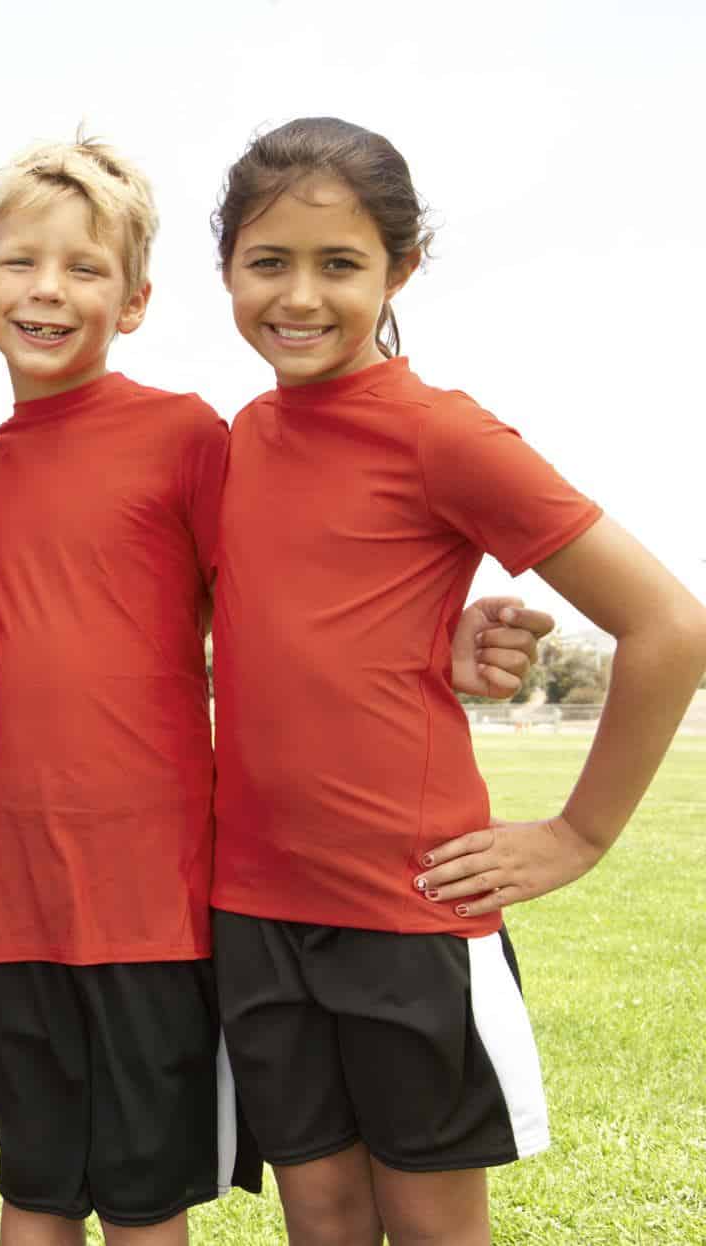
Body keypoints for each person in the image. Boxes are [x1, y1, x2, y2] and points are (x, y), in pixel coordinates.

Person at [0, 137, 549, 1246]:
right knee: (31, 1183)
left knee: (142, 1190)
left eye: (82, 268)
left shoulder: (187, 437)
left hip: (161, 889)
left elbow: (290, 586)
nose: (46, 289)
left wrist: (432, 640)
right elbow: (9, 654)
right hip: (8, 890)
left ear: (132, 301)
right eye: (19, 262)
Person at [208, 115, 706, 1246]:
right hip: (248, 905)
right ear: (225, 268)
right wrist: (427, 646)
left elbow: (669, 625)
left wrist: (576, 835)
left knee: (431, 1226)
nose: (298, 295)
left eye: (338, 264)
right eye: (266, 261)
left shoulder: (442, 433)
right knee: (320, 1219)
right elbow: (261, 632)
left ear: (399, 269)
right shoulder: (240, 436)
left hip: (406, 905)